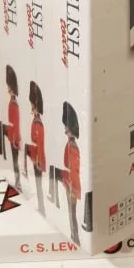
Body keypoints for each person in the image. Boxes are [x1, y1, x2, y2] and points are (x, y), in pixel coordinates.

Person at [55, 101, 81, 246]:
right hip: (70, 183)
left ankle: (75, 237)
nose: (65, 129)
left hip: (72, 185)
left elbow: (75, 171)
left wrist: (72, 187)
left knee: (72, 214)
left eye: (67, 127)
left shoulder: (72, 147)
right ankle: (74, 236)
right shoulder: (71, 144)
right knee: (71, 213)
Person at [23, 81, 46, 216]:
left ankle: (42, 208)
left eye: (33, 106)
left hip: (38, 158)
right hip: (35, 156)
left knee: (39, 185)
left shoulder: (38, 124)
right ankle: (40, 206)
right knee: (37, 185)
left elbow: (41, 145)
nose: (32, 109)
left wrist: (38, 160)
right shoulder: (36, 121)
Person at [0, 65, 21, 191]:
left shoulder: (14, 104)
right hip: (12, 133)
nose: (8, 89)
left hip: (14, 136)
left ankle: (18, 181)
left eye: (9, 87)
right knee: (14, 161)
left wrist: (14, 139)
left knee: (15, 161)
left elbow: (16, 123)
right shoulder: (13, 102)